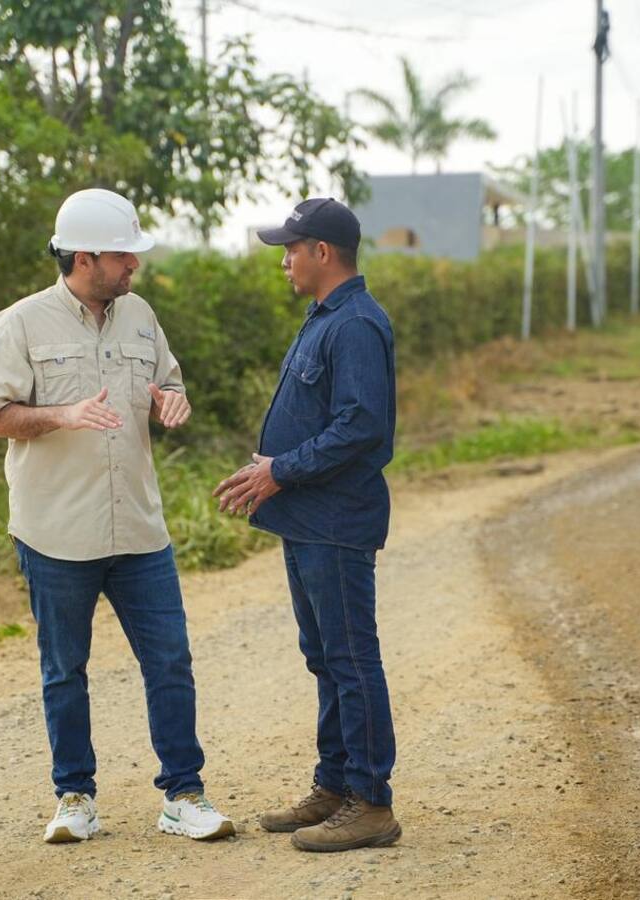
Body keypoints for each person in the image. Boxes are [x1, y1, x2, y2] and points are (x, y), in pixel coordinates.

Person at [0, 188, 233, 844]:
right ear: (85, 257)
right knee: (65, 669)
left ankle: (184, 795)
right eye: (124, 255)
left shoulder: (140, 315)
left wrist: (171, 401)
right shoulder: (22, 324)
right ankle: (75, 798)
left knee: (170, 659)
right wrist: (61, 413)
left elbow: (167, 382)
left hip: (139, 529)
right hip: (56, 532)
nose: (134, 266)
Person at [213, 197, 400, 852]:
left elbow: (361, 426)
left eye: (292, 248)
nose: (285, 260)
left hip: (336, 521)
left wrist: (280, 470)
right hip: (307, 519)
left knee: (351, 659)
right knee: (326, 657)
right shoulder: (323, 317)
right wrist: (272, 473)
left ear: (324, 252)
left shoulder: (355, 326)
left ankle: (372, 803)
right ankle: (335, 785)